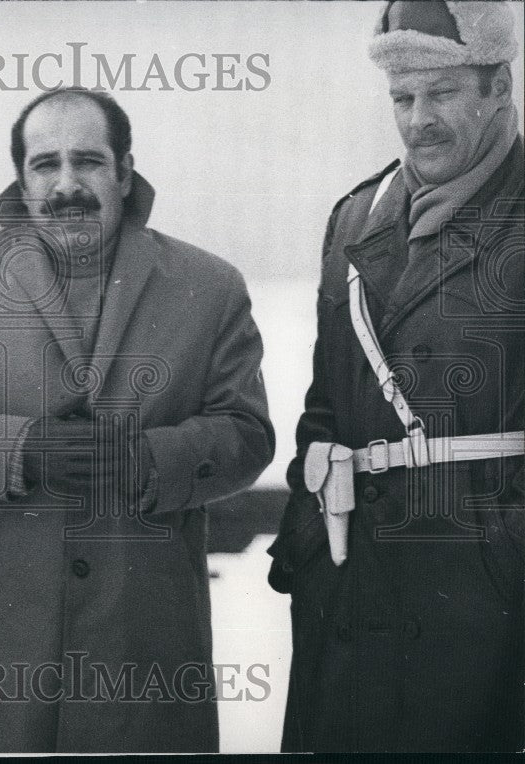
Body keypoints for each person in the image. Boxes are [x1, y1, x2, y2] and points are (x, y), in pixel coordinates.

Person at [0, 87, 274, 753]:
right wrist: (18, 449)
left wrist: (150, 458)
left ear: (124, 170)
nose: (66, 185)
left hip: (141, 646)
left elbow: (248, 433)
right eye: (44, 164)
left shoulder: (209, 286)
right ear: (21, 179)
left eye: (88, 161)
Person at [267, 0, 524, 752]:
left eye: (443, 94)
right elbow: (326, 410)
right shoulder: (356, 219)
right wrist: (308, 550)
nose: (419, 121)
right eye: (402, 99)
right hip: (353, 589)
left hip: (491, 605)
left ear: (498, 86)